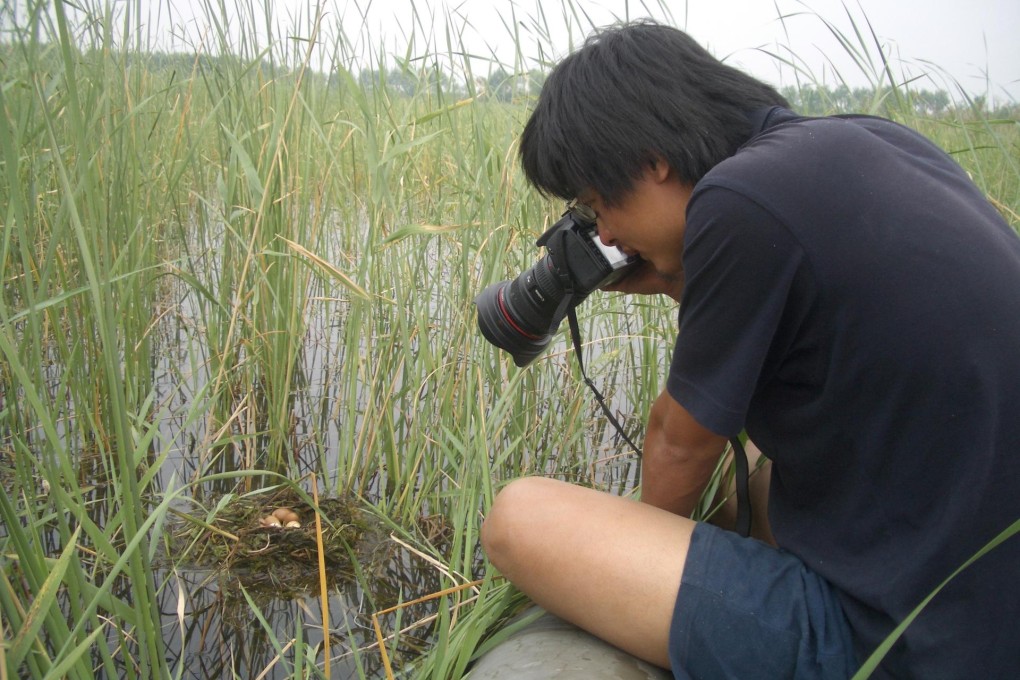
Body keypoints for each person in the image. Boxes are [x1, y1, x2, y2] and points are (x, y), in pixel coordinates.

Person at [479, 20, 1020, 679]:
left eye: (598, 205)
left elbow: (678, 443)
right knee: (758, 461)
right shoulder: (872, 142)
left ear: (652, 159)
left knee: (519, 517)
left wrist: (631, 568)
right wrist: (682, 278)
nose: (609, 233)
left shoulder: (738, 202)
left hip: (898, 644)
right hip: (980, 611)